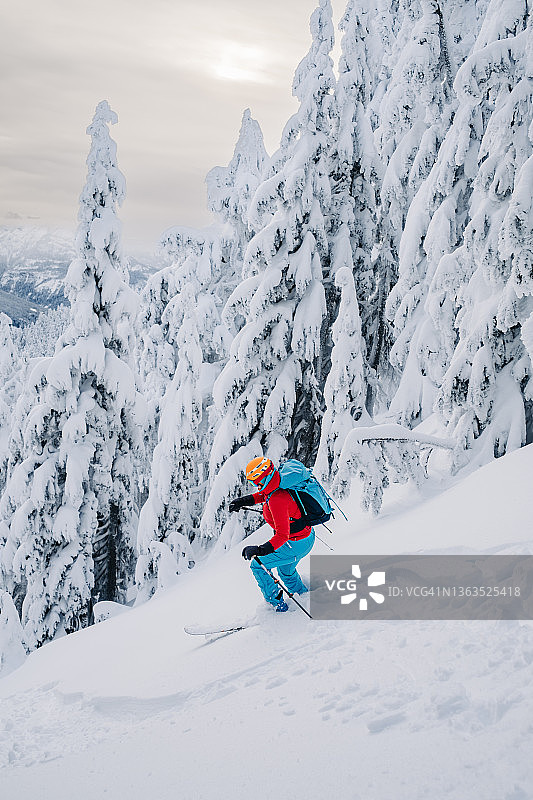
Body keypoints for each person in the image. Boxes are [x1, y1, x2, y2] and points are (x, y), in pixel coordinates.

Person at [228, 456, 315, 612]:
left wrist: (260, 550)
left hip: (295, 544)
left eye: (255, 482)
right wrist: (242, 501)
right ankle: (303, 595)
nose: (255, 485)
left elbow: (282, 535)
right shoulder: (277, 483)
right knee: (285, 571)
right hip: (305, 537)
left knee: (257, 565)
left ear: (262, 478)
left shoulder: (277, 500)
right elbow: (264, 495)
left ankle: (276, 604)